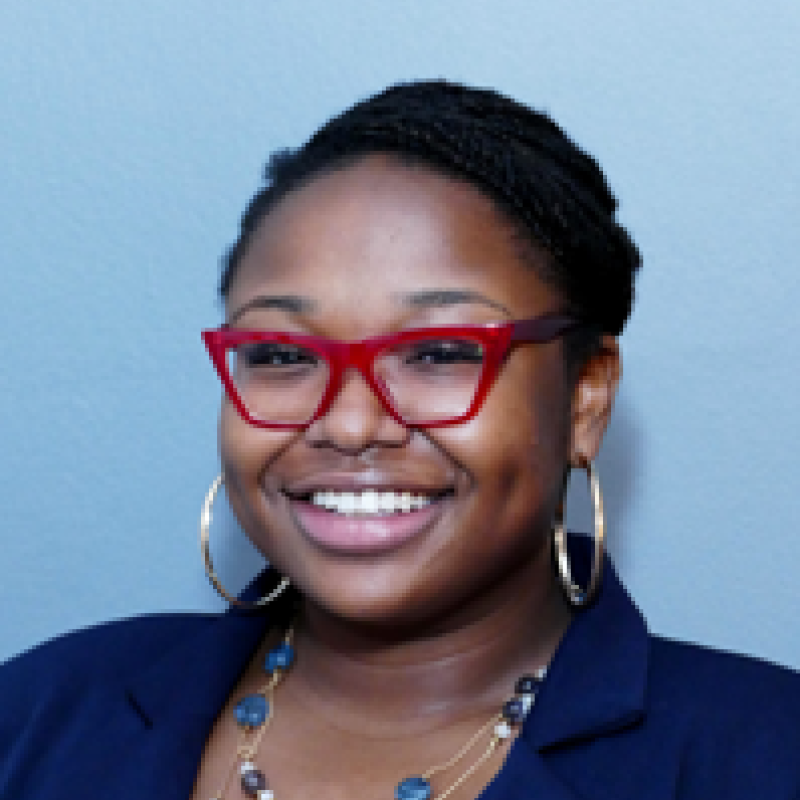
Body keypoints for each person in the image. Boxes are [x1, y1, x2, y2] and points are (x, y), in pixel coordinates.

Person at [1, 80, 799, 800]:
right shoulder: (42, 714)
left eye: (442, 354)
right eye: (283, 355)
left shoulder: (764, 756)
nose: (349, 424)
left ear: (585, 398)